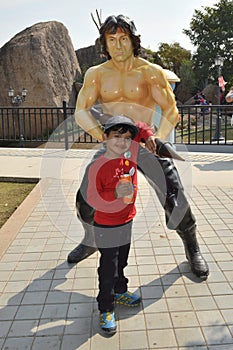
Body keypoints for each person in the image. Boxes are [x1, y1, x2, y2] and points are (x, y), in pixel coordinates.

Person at [68, 14, 209, 279]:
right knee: (85, 200)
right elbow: (81, 110)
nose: (118, 46)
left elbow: (171, 110)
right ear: (104, 43)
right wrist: (102, 136)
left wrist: (160, 137)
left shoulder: (150, 72)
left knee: (175, 201)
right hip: (113, 144)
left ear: (133, 41)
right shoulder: (96, 74)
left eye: (123, 39)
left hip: (146, 143)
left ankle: (192, 247)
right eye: (112, 40)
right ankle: (91, 239)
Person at [87, 115, 145, 334]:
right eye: (116, 136)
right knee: (108, 268)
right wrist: (114, 193)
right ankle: (106, 308)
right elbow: (92, 198)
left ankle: (120, 291)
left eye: (127, 138)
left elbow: (142, 127)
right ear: (105, 138)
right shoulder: (98, 166)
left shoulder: (130, 159)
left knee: (122, 260)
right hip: (106, 225)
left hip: (126, 220)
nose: (122, 142)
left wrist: (139, 131)